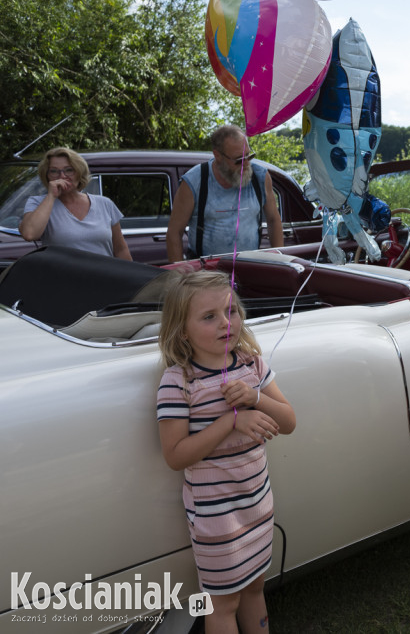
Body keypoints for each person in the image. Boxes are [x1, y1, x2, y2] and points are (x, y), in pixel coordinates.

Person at [156, 270, 295, 633]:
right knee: (222, 603)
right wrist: (232, 421)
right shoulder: (179, 381)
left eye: (230, 311)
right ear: (182, 330)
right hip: (217, 518)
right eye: (209, 316)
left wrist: (255, 398)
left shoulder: (252, 364)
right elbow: (175, 455)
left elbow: (290, 420)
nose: (225, 323)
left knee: (255, 587)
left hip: (258, 503)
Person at [167, 124, 283, 261]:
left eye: (249, 156)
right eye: (239, 160)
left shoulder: (260, 177)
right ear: (218, 155)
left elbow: (273, 220)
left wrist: (279, 259)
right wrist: (179, 273)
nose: (246, 164)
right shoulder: (195, 181)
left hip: (250, 267)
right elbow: (174, 232)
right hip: (206, 273)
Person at [19, 147, 131, 260]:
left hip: (103, 275)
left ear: (79, 172)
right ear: (47, 176)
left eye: (69, 170)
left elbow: (120, 249)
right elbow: (29, 234)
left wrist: (131, 276)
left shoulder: (105, 203)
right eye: (54, 171)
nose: (62, 176)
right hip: (61, 276)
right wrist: (51, 196)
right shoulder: (38, 203)